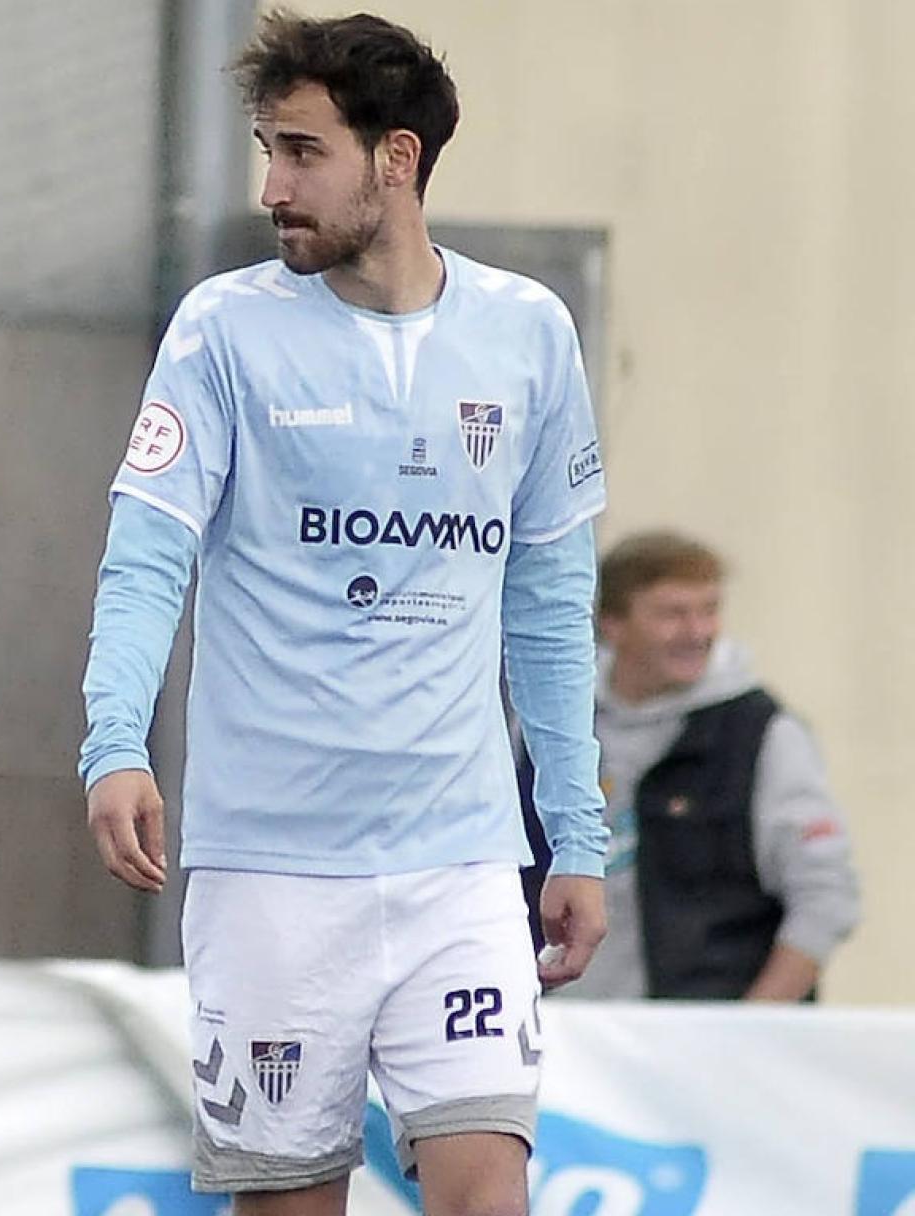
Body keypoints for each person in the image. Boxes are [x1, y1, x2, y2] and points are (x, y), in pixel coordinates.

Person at [78, 12, 609, 1215]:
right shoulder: (223, 329)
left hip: (463, 863)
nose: (272, 186)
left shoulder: (528, 334)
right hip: (271, 869)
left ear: (397, 158)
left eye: (301, 152)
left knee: (490, 1196)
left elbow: (551, 599)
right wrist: (114, 743)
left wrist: (574, 831)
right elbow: (147, 556)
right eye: (267, 149)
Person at [519, 530, 860, 1002]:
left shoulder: (758, 733)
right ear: (611, 623)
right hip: (563, 1038)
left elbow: (827, 898)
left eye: (709, 610)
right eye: (672, 614)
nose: (698, 633)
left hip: (700, 1046)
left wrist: (749, 1031)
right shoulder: (546, 727)